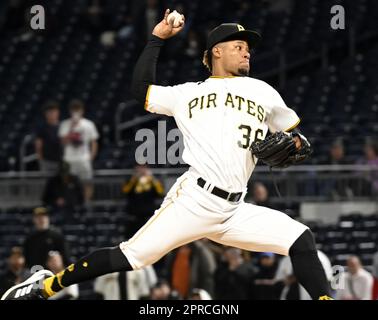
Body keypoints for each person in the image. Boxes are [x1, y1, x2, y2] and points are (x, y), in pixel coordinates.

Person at [2, 9, 332, 301]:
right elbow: (141, 91)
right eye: (239, 46)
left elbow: (297, 138)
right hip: (194, 200)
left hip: (234, 208)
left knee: (301, 239)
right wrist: (156, 39)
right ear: (217, 51)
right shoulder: (187, 94)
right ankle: (45, 287)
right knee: (132, 257)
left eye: (248, 49)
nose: (247, 53)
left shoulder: (263, 90)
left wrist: (299, 145)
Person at [59, 99, 99, 202]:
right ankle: (69, 202)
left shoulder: (89, 124)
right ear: (70, 111)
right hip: (68, 159)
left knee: (87, 182)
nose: (76, 112)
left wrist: (91, 156)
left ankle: (87, 202)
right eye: (74, 110)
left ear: (82, 111)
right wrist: (72, 128)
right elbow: (62, 141)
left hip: (84, 159)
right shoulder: (65, 124)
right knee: (66, 182)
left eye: (78, 110)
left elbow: (94, 142)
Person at [122, 164, 164, 238]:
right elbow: (125, 191)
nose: (141, 169)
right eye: (139, 167)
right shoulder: (130, 179)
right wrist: (134, 178)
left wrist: (152, 178)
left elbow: (161, 192)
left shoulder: (152, 180)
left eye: (144, 167)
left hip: (148, 215)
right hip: (134, 215)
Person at [35, 101, 62, 173]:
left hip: (61, 160)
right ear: (45, 114)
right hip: (47, 160)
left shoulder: (63, 126)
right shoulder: (42, 128)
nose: (51, 114)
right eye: (49, 112)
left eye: (53, 112)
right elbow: (38, 144)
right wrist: (40, 159)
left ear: (58, 112)